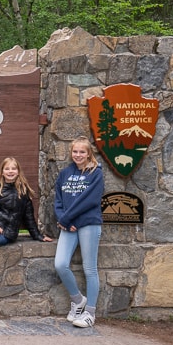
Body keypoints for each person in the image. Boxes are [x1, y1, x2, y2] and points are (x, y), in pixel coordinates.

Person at [53, 136, 104, 328]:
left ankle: (90, 312)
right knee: (60, 264)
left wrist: (67, 219)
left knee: (89, 269)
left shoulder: (95, 173)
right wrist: (62, 219)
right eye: (75, 151)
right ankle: (77, 300)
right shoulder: (65, 173)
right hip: (68, 225)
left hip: (88, 224)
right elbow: (58, 200)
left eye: (82, 152)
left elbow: (89, 200)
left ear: (88, 153)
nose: (78, 155)